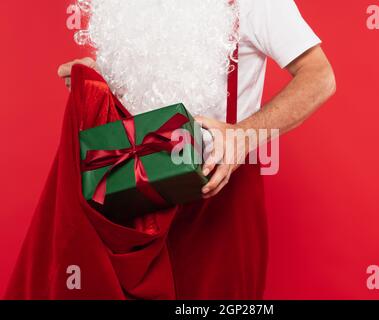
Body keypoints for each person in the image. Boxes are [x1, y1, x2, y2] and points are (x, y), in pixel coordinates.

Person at [7, 0, 335, 300]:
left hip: (216, 199)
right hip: (134, 199)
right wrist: (96, 80)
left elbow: (319, 77)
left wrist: (243, 136)